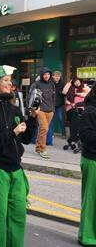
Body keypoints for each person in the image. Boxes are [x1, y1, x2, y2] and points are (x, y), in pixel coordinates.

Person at [0, 65, 38, 247]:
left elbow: (25, 139)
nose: (10, 84)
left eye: (10, 81)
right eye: (5, 81)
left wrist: (32, 119)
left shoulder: (13, 108)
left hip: (15, 169)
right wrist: (12, 132)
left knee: (18, 216)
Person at [78, 82, 96, 246]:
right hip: (92, 159)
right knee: (91, 200)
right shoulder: (90, 110)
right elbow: (85, 135)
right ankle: (88, 236)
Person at [28, 67, 55, 159]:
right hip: (40, 109)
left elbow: (53, 97)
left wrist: (53, 109)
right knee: (44, 128)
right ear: (41, 75)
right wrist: (33, 109)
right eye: (45, 74)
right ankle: (43, 150)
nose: (47, 76)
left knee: (42, 130)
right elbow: (30, 97)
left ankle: (38, 148)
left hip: (50, 110)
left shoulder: (52, 84)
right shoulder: (36, 84)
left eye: (48, 74)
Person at [62, 77, 90, 152]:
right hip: (71, 108)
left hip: (81, 108)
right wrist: (69, 83)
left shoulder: (84, 87)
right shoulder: (70, 88)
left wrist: (78, 94)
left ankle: (75, 139)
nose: (77, 83)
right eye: (75, 82)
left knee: (78, 125)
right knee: (73, 125)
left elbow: (89, 94)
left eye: (78, 81)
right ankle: (73, 139)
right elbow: (64, 93)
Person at [52, 71, 66, 137]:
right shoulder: (51, 84)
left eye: (58, 76)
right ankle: (51, 133)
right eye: (55, 76)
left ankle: (63, 133)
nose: (57, 77)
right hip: (51, 104)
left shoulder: (63, 84)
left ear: (60, 77)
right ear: (53, 77)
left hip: (60, 104)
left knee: (60, 119)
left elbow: (65, 93)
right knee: (51, 119)